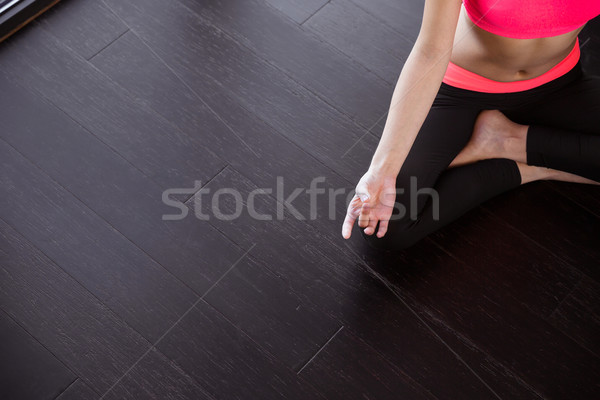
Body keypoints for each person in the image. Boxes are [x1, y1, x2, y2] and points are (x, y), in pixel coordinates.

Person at [341, 0, 600, 250]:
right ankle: (541, 165)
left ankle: (512, 145)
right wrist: (381, 169)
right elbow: (430, 51)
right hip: (462, 89)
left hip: (559, 84)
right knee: (387, 225)